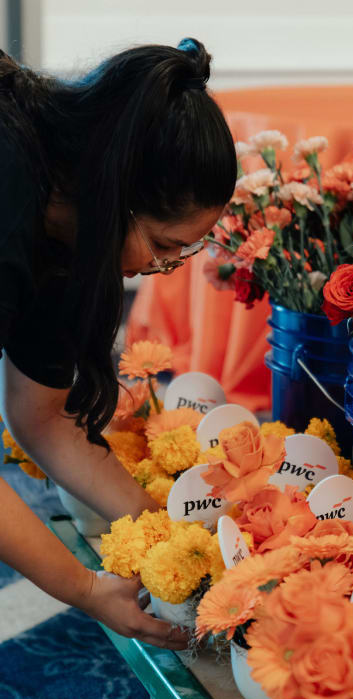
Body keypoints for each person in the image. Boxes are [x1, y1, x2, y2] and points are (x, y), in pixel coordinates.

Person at [0, 38, 236, 649]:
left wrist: (165, 530)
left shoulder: (67, 223)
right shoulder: (10, 195)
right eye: (163, 246)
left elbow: (42, 418)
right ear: (115, 194)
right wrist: (80, 586)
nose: (164, 269)